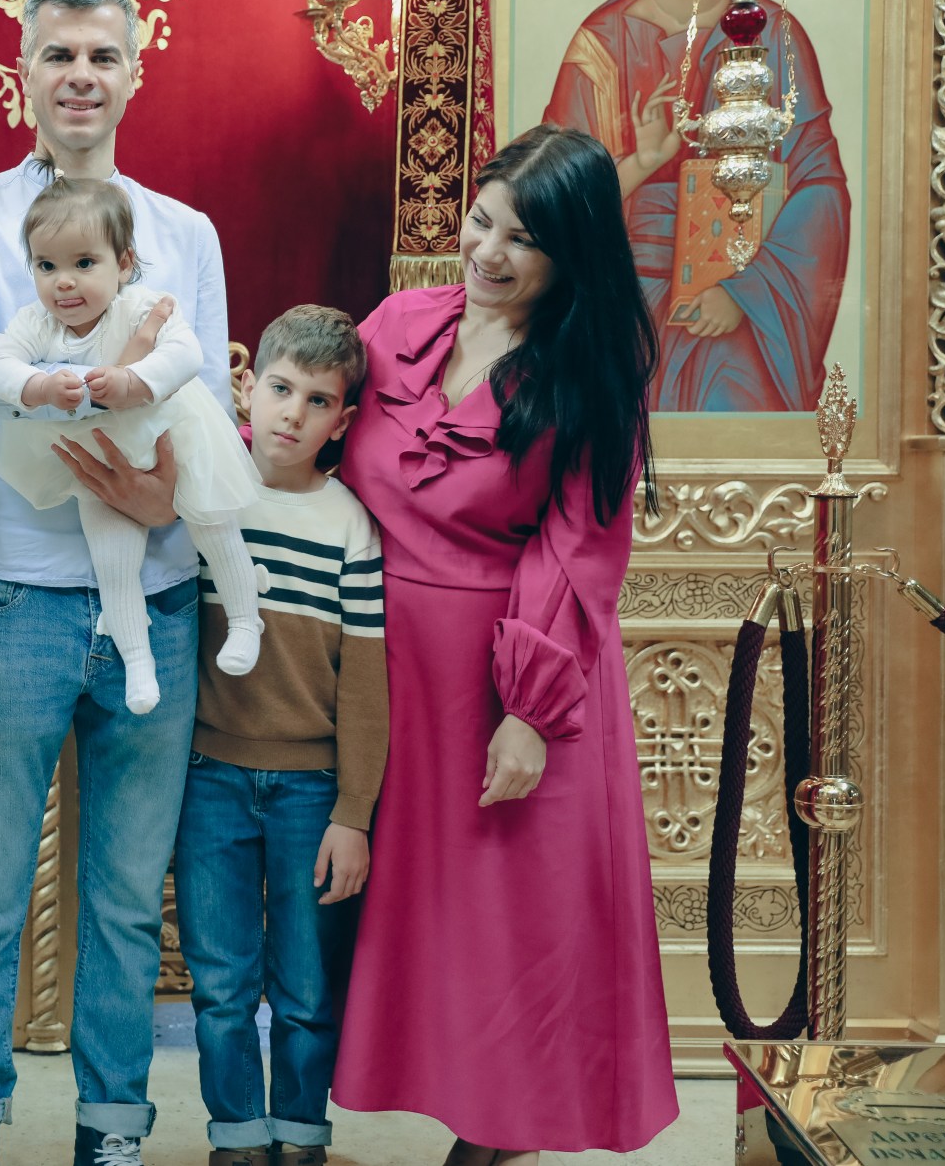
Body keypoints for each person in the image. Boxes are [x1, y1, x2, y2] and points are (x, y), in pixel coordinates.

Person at [0, 0, 230, 1166]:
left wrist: (163, 494)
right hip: (14, 596)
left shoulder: (183, 232)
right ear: (24, 72)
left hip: (154, 588)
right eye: (58, 55)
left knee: (124, 896)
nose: (80, 77)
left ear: (134, 72)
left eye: (102, 56)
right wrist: (74, 390)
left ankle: (112, 1125)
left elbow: (204, 399)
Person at [331, 125, 678, 1163]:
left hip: (515, 671)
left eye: (521, 239)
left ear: (570, 254)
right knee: (427, 917)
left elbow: (578, 547)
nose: (487, 251)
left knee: (514, 923)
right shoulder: (397, 323)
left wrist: (527, 709)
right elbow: (305, 438)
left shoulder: (590, 369)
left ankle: (495, 1142)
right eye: (481, 222)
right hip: (388, 665)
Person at [176, 304, 386, 1166]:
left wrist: (354, 813)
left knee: (305, 981)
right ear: (246, 387)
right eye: (280, 388)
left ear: (343, 419)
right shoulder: (202, 497)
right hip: (209, 777)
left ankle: (300, 1135)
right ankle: (235, 1136)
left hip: (311, 790)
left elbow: (366, 688)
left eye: (318, 400)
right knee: (221, 979)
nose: (293, 413)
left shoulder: (349, 526)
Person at [543, 0, 849, 411]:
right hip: (621, 296)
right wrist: (641, 164)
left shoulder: (775, 37)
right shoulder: (599, 46)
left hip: (738, 295)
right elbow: (551, 196)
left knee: (736, 399)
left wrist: (745, 291)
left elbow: (821, 188)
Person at [0, 171, 262, 714]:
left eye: (84, 263)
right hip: (97, 457)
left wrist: (135, 381)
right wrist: (37, 386)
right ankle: (136, 660)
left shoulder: (138, 306)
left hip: (173, 439)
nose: (64, 282)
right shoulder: (37, 323)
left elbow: (186, 353)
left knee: (214, 523)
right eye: (46, 266)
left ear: (124, 264)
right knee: (112, 559)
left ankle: (246, 621)